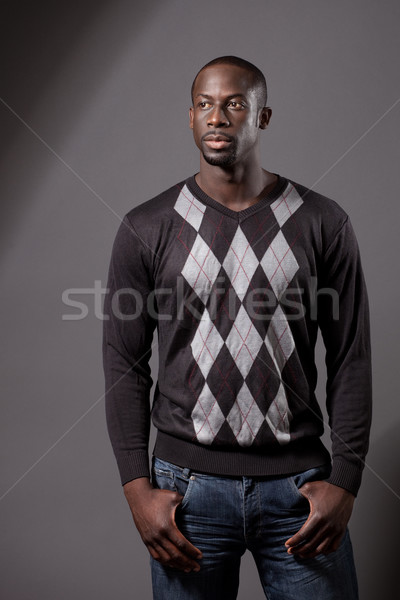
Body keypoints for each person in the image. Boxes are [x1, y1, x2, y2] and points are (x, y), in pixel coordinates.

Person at [103, 56, 372, 599]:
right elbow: (124, 366)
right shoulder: (146, 226)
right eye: (205, 104)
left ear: (263, 117)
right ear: (190, 117)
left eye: (234, 104)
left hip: (299, 494)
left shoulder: (321, 221)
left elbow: (351, 361)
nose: (217, 117)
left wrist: (344, 482)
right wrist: (137, 490)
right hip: (186, 493)